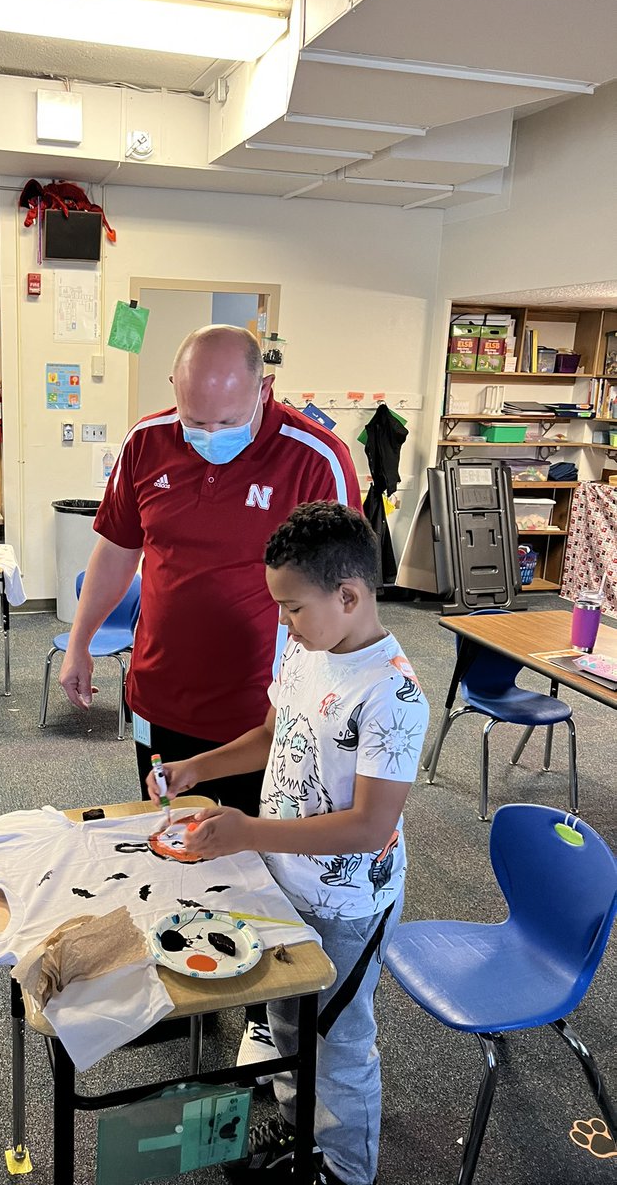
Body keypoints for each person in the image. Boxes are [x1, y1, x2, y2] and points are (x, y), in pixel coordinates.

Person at [59, 324, 360, 1066]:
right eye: (194, 419)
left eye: (225, 423)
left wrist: (324, 703)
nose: (206, 437)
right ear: (174, 391)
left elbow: (349, 595)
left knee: (260, 873)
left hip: (266, 716)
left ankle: (262, 1017)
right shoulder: (147, 444)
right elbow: (118, 549)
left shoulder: (314, 458)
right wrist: (78, 638)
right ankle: (178, 983)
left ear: (264, 392)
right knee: (171, 853)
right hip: (163, 694)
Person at [147, 502, 429, 1185]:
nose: (282, 622)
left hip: (346, 903)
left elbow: (368, 827)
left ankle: (344, 1168)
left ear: (350, 596)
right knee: (286, 1019)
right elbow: (271, 738)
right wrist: (197, 767)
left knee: (338, 1043)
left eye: (292, 607)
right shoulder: (308, 652)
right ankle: (298, 1123)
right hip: (284, 880)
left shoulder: (392, 693)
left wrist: (248, 831)